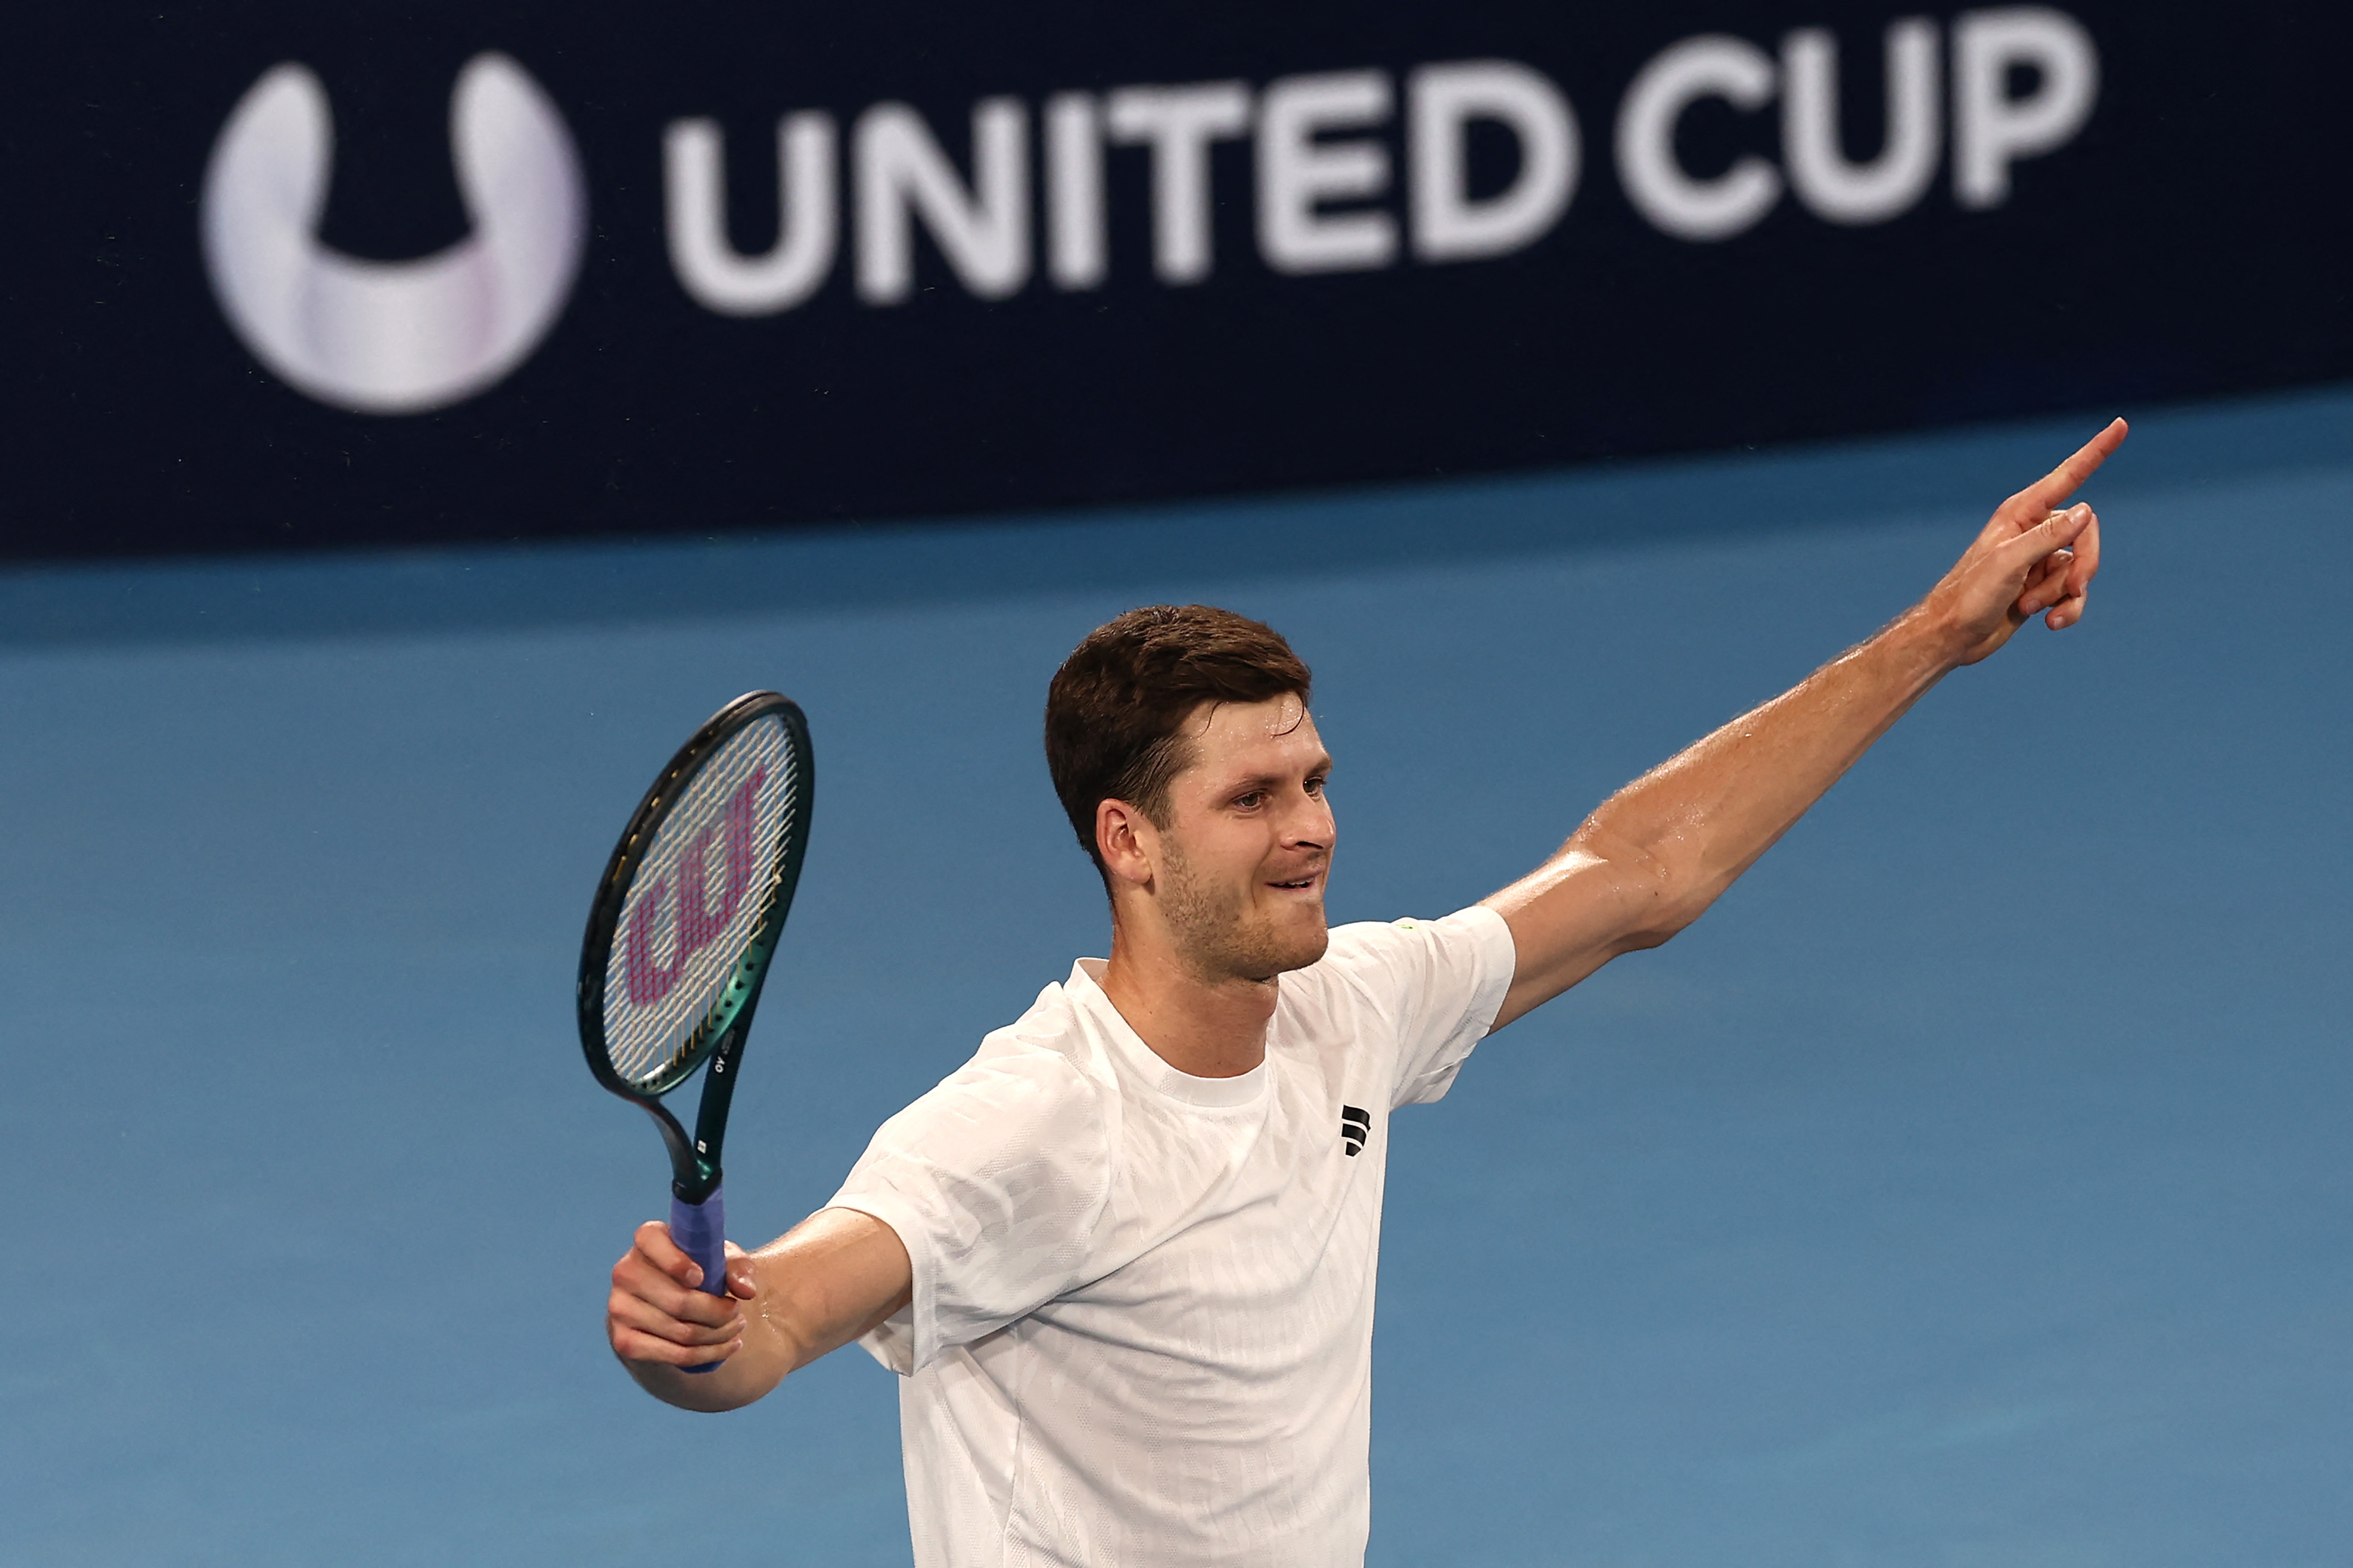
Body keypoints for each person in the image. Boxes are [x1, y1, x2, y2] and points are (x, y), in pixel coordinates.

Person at [605, 419, 2126, 1566]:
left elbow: (1640, 871)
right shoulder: (1027, 1124)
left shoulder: (1350, 1003)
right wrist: (697, 1333)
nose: (1314, 827)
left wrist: (1929, 641)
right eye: (1256, 797)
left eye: (1316, 779)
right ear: (1127, 843)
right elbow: (782, 1319)